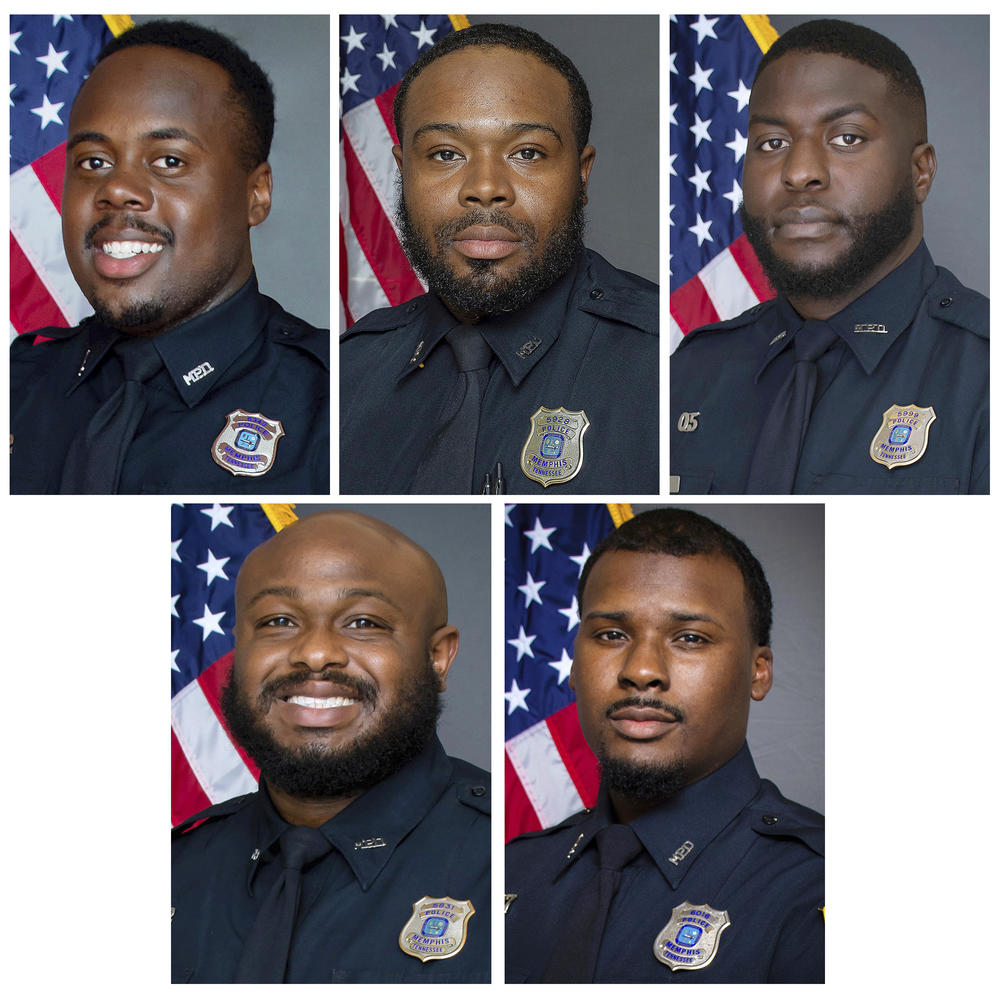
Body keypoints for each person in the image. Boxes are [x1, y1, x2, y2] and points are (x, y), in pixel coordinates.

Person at [505, 507, 823, 983]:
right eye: (611, 634)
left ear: (759, 671)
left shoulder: (816, 886)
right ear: (573, 664)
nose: (641, 669)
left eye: (690, 638)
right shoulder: (510, 871)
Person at [670, 19, 988, 495]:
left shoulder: (984, 372)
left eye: (847, 138)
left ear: (920, 172)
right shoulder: (690, 372)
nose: (799, 172)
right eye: (772, 143)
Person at [10, 20, 329, 494]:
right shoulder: (17, 384)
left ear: (255, 195)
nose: (116, 188)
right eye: (93, 162)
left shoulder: (334, 402)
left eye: (169, 161)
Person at [340, 22, 658, 494]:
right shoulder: (349, 370)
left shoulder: (664, 362)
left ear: (582, 175)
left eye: (527, 152)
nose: (485, 188)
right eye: (445, 154)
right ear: (402, 172)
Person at [172, 511, 489, 983]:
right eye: (279, 620)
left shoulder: (507, 860)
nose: (315, 653)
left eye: (363, 622)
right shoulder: (174, 867)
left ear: (437, 656)